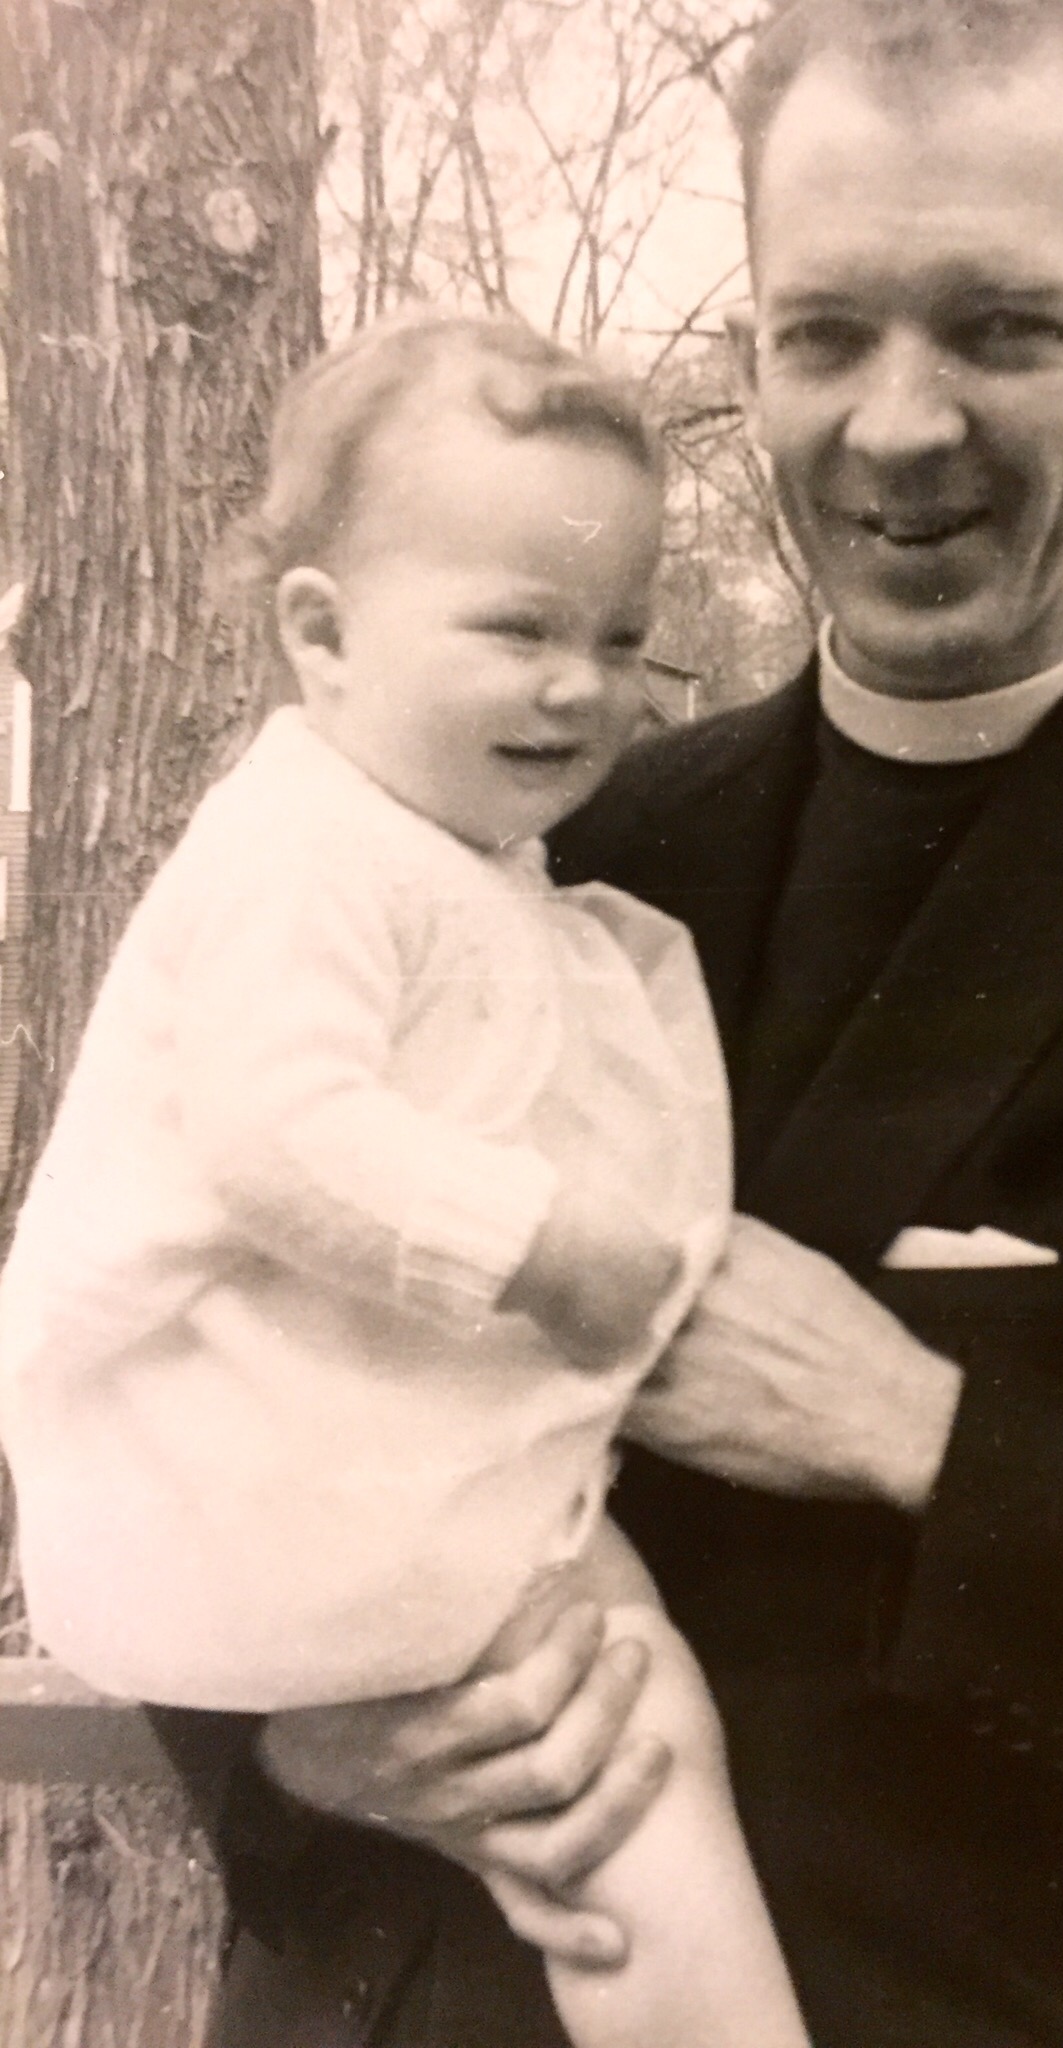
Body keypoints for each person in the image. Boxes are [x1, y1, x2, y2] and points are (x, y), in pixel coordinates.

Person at [200, 1, 1063, 2043]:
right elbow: (179, 1315)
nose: (899, 424)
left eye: (1002, 329)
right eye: (825, 333)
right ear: (751, 358)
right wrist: (284, 1741)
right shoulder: (540, 831)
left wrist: (926, 1437)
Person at [0, 315, 810, 2048]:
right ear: (322, 635)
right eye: (518, 628)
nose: (580, 686)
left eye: (621, 638)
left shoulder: (449, 853)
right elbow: (271, 1130)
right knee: (637, 1732)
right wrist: (537, 1244)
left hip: (344, 1489)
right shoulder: (300, 853)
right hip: (264, 1483)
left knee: (623, 1751)